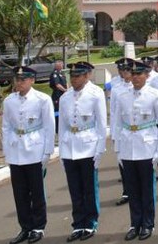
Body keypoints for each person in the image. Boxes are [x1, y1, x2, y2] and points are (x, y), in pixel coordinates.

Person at [113, 60, 158, 241]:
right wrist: (118, 150)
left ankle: (147, 223)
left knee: (146, 189)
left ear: (147, 75)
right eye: (133, 74)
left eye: (139, 74)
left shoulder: (155, 95)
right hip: (128, 147)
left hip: (147, 147)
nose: (136, 77)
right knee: (132, 189)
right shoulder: (122, 96)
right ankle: (134, 223)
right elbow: (117, 124)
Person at [3, 67, 55, 244]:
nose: (19, 82)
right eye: (17, 79)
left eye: (23, 79)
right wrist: (8, 151)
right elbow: (6, 127)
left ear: (32, 80)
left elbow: (49, 126)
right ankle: (25, 227)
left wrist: (47, 152)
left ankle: (38, 227)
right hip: (16, 151)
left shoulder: (42, 99)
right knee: (20, 193)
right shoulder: (9, 101)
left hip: (34, 150)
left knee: (36, 192)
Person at [58, 62, 107, 242]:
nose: (74, 79)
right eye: (72, 76)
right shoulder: (65, 97)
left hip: (88, 146)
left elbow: (102, 125)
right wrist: (62, 152)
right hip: (70, 147)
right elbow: (62, 127)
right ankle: (78, 223)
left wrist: (100, 149)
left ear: (87, 76)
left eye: (78, 76)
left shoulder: (96, 94)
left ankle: (90, 222)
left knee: (89, 188)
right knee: (75, 190)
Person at [111, 58, 135, 206]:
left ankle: (137, 191)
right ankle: (127, 191)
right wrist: (114, 133)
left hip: (139, 131)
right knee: (123, 163)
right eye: (122, 70)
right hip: (123, 131)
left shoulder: (139, 85)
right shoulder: (116, 89)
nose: (125, 73)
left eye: (127, 70)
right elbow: (114, 113)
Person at [49, 60, 67, 134]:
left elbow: (65, 83)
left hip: (63, 94)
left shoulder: (61, 73)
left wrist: (67, 90)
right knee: (57, 112)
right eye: (61, 65)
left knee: (64, 111)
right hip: (57, 95)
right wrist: (65, 90)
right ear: (57, 66)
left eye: (62, 64)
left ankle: (63, 126)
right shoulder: (55, 74)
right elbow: (57, 85)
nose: (62, 66)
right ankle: (57, 129)